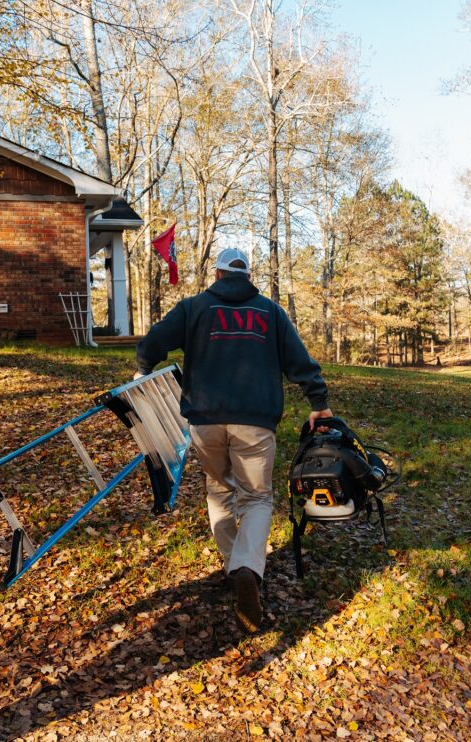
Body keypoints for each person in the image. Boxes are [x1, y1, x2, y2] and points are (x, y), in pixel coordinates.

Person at [136, 247, 331, 632]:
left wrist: (144, 367)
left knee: (219, 490)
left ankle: (234, 565)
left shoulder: (194, 307)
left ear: (218, 273)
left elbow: (155, 341)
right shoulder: (270, 312)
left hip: (205, 421)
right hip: (255, 422)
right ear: (247, 275)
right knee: (257, 497)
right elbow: (298, 360)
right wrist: (318, 400)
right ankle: (246, 567)